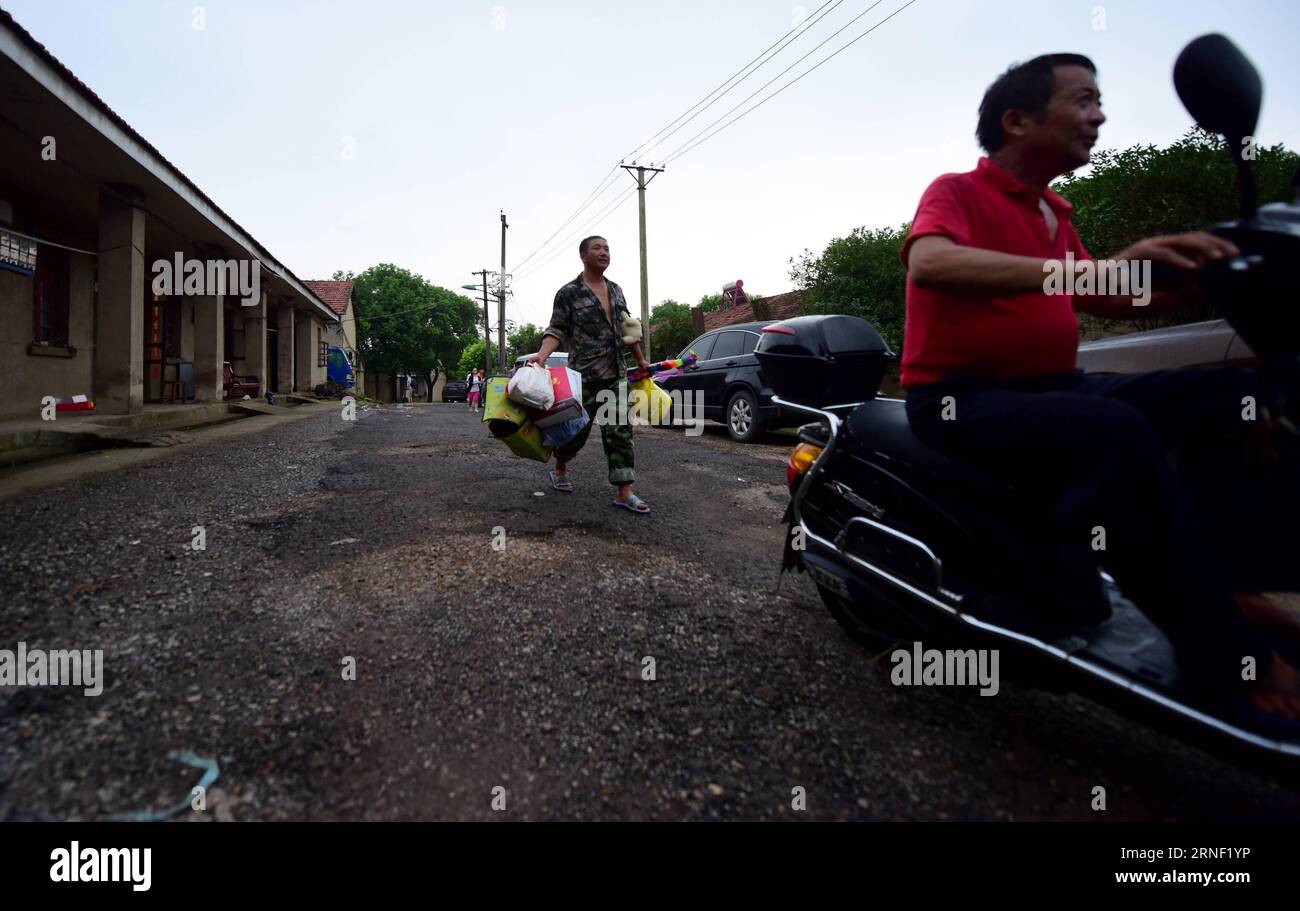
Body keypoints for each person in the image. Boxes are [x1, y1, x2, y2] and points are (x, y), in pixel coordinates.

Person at [900, 53, 1300, 719]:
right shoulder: (957, 190)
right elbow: (932, 262)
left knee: (1232, 395)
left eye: (1100, 100)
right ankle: (1224, 659)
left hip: (1054, 384)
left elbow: (1109, 298)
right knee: (1116, 433)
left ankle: (1223, 587)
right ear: (1019, 120)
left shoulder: (1058, 212)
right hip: (960, 397)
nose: (1100, 114)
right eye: (1084, 100)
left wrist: (1214, 274)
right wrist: (1085, 275)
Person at [530, 236, 652, 513]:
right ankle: (560, 467)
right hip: (583, 375)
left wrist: (642, 360)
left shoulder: (617, 290)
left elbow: (628, 330)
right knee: (575, 433)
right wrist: (542, 355)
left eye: (607, 248)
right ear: (583, 256)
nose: (604, 252)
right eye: (597, 248)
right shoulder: (568, 293)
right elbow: (557, 329)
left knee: (620, 431)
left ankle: (625, 491)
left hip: (616, 375)